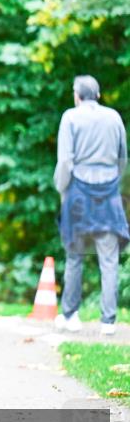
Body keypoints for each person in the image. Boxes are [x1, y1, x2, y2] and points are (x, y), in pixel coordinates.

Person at [53, 75, 128, 335]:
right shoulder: (114, 117)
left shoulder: (70, 118)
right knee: (109, 259)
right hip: (108, 194)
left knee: (74, 256)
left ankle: (70, 315)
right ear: (98, 94)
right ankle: (108, 322)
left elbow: (65, 162)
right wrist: (113, 184)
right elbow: (122, 158)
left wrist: (62, 188)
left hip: (78, 194)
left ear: (77, 95)